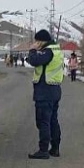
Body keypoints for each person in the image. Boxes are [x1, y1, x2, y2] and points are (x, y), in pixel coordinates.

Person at [26, 30, 64, 160]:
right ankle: (55, 148)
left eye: (37, 41)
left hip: (45, 91)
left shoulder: (48, 51)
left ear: (41, 41)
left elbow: (35, 61)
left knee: (43, 121)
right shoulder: (57, 50)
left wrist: (32, 50)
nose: (35, 43)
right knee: (52, 120)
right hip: (54, 89)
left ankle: (43, 150)